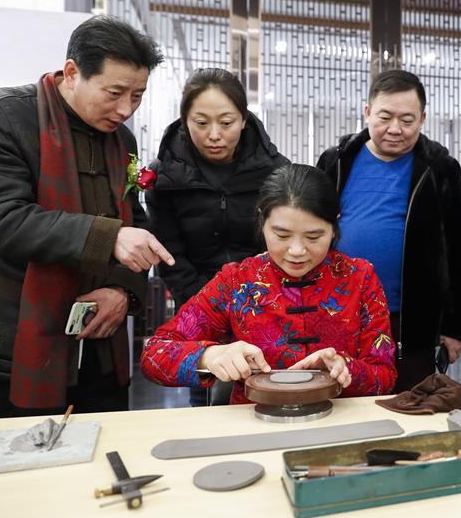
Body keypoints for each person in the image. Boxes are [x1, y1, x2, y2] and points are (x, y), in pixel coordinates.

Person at [0, 15, 174, 418]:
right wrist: (111, 238)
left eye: (138, 96)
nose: (126, 109)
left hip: (99, 342)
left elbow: (134, 221)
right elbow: (1, 220)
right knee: (21, 466)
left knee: (102, 462)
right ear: (72, 73)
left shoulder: (120, 137)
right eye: (115, 92)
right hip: (18, 343)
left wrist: (121, 292)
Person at [141, 164, 397, 401]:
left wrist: (346, 368)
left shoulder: (359, 278)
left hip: (340, 424)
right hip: (255, 424)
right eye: (282, 235)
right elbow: (155, 354)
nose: (297, 250)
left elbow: (385, 377)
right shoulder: (237, 282)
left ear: (335, 225)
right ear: (262, 221)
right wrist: (210, 356)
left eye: (314, 236)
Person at [316, 70, 461, 392]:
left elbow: (459, 250)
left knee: (410, 404)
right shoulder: (336, 162)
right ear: (367, 112)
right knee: (342, 401)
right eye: (385, 116)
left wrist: (456, 327)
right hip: (341, 313)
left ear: (422, 119)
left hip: (410, 318)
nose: (395, 129)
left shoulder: (440, 168)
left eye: (407, 119)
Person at [145, 68, 289, 405]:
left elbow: (281, 242)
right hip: (198, 306)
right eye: (201, 122)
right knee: (206, 395)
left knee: (264, 392)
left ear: (243, 119)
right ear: (184, 121)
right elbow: (169, 252)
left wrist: (251, 301)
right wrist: (207, 304)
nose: (214, 134)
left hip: (262, 306)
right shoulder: (165, 176)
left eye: (226, 123)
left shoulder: (275, 171)